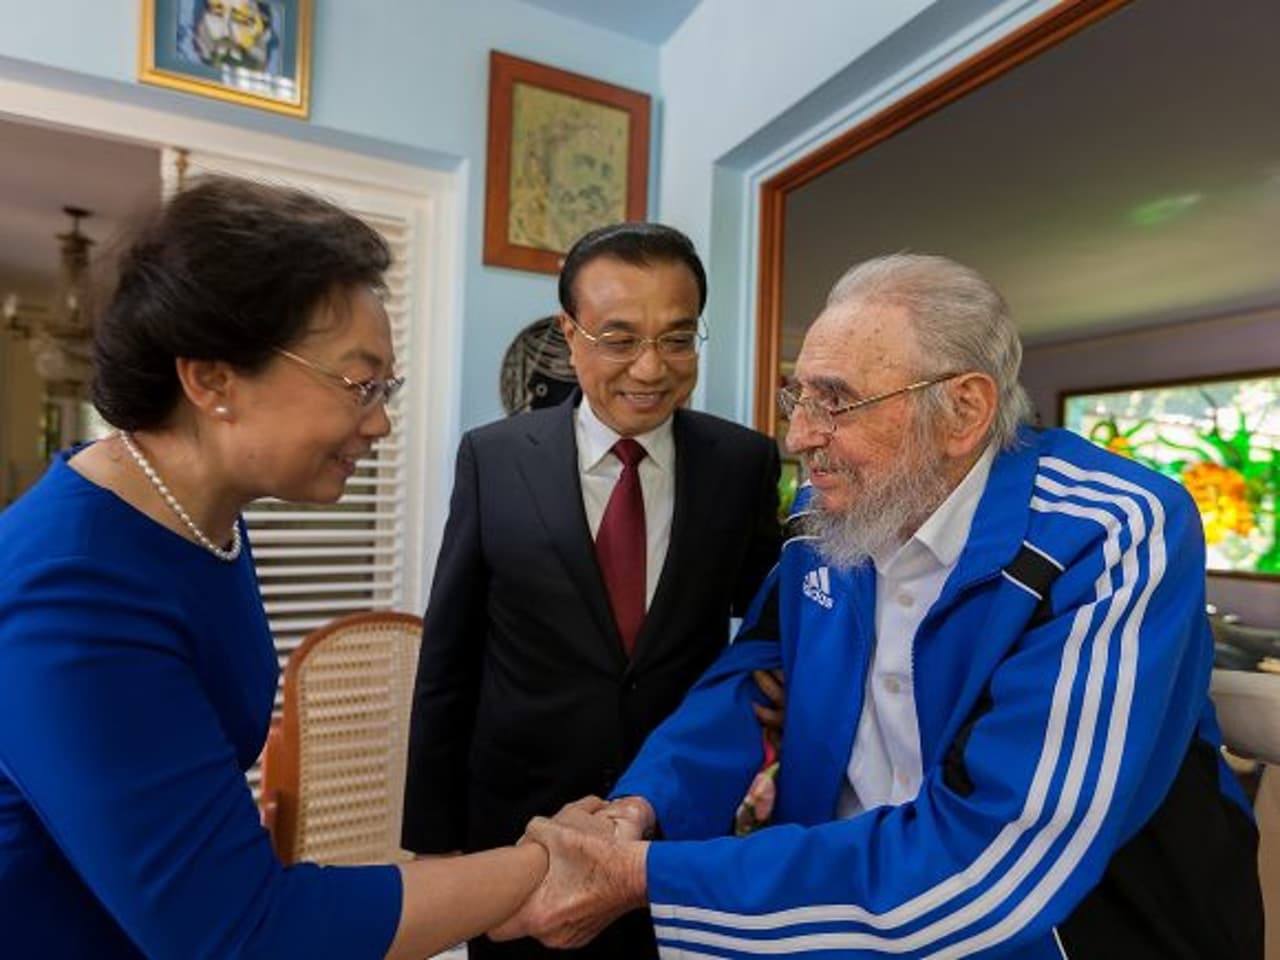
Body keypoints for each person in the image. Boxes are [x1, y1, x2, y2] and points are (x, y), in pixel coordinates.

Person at [492, 253, 1265, 958]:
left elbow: (997, 858)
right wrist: (643, 805)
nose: (799, 436)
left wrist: (643, 876)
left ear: (963, 411)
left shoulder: (1111, 530)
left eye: (835, 403)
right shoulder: (825, 514)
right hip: (836, 915)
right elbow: (753, 675)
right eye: (799, 395)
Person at [0, 176, 548, 960]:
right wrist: (539, 865)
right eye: (359, 384)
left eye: (385, 388)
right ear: (213, 379)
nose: (383, 420)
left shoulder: (201, 519)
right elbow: (243, 934)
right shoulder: (71, 593)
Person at [402, 222, 783, 959]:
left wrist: (785, 692)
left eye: (677, 339)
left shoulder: (741, 461)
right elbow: (449, 656)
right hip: (519, 819)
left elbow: (766, 611)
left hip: (673, 819)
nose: (650, 367)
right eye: (618, 338)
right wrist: (434, 840)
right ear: (569, 335)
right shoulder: (495, 457)